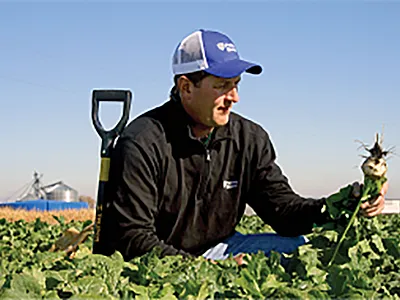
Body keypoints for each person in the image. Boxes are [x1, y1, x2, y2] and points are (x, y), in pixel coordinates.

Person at [94, 29, 388, 263]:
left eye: (236, 84)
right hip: (160, 258)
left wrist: (345, 203)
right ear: (186, 87)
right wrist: (205, 271)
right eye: (222, 85)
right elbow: (132, 238)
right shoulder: (143, 142)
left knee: (305, 251)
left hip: (221, 248)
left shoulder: (249, 139)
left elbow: (285, 212)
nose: (234, 97)